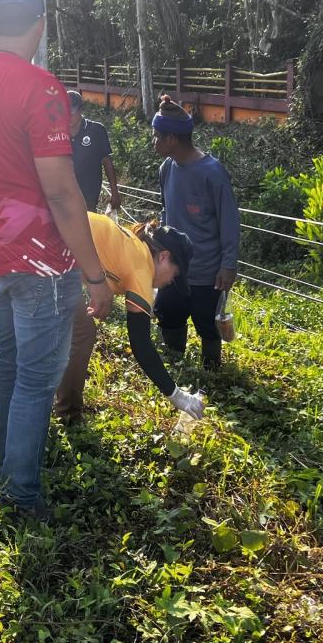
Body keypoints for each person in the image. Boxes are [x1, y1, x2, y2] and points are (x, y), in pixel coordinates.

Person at [0, 0, 113, 519]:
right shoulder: (41, 91)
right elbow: (63, 194)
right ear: (40, 26)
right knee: (37, 378)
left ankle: (3, 467)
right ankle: (21, 493)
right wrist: (94, 275)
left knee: (12, 360)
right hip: (39, 262)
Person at [53, 215, 205, 422]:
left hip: (47, 236)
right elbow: (141, 345)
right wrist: (177, 396)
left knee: (35, 319)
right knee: (82, 333)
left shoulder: (136, 244)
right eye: (174, 274)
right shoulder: (142, 268)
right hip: (49, 249)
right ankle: (69, 415)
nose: (170, 281)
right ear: (163, 256)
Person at [153, 96, 239, 371]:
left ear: (172, 139)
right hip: (174, 270)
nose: (154, 142)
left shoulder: (212, 173)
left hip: (206, 271)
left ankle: (212, 370)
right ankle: (177, 364)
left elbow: (229, 222)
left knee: (208, 325)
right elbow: (167, 212)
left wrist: (228, 265)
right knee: (169, 314)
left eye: (157, 137)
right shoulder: (166, 169)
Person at [67, 89, 121, 212]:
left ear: (81, 110)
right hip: (64, 198)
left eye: (71, 112)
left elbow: (107, 162)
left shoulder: (96, 131)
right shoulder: (57, 133)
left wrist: (114, 191)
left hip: (88, 198)